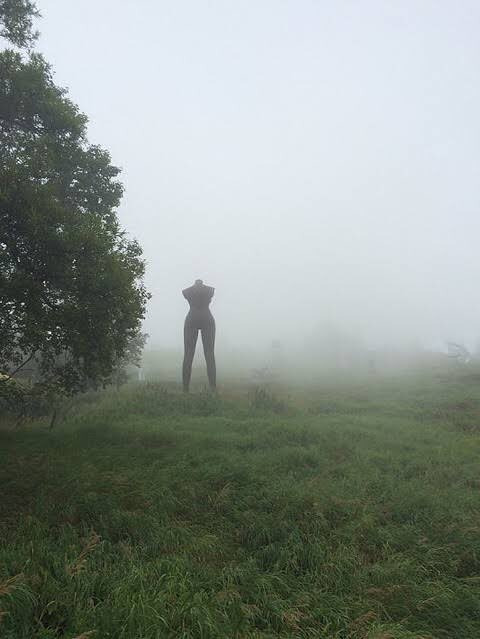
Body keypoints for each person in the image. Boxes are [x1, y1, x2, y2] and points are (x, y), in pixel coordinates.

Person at [182, 279, 216, 392]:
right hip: (206, 318)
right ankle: (212, 388)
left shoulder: (188, 291)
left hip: (193, 318)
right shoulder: (208, 291)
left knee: (191, 355)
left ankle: (186, 389)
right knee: (207, 354)